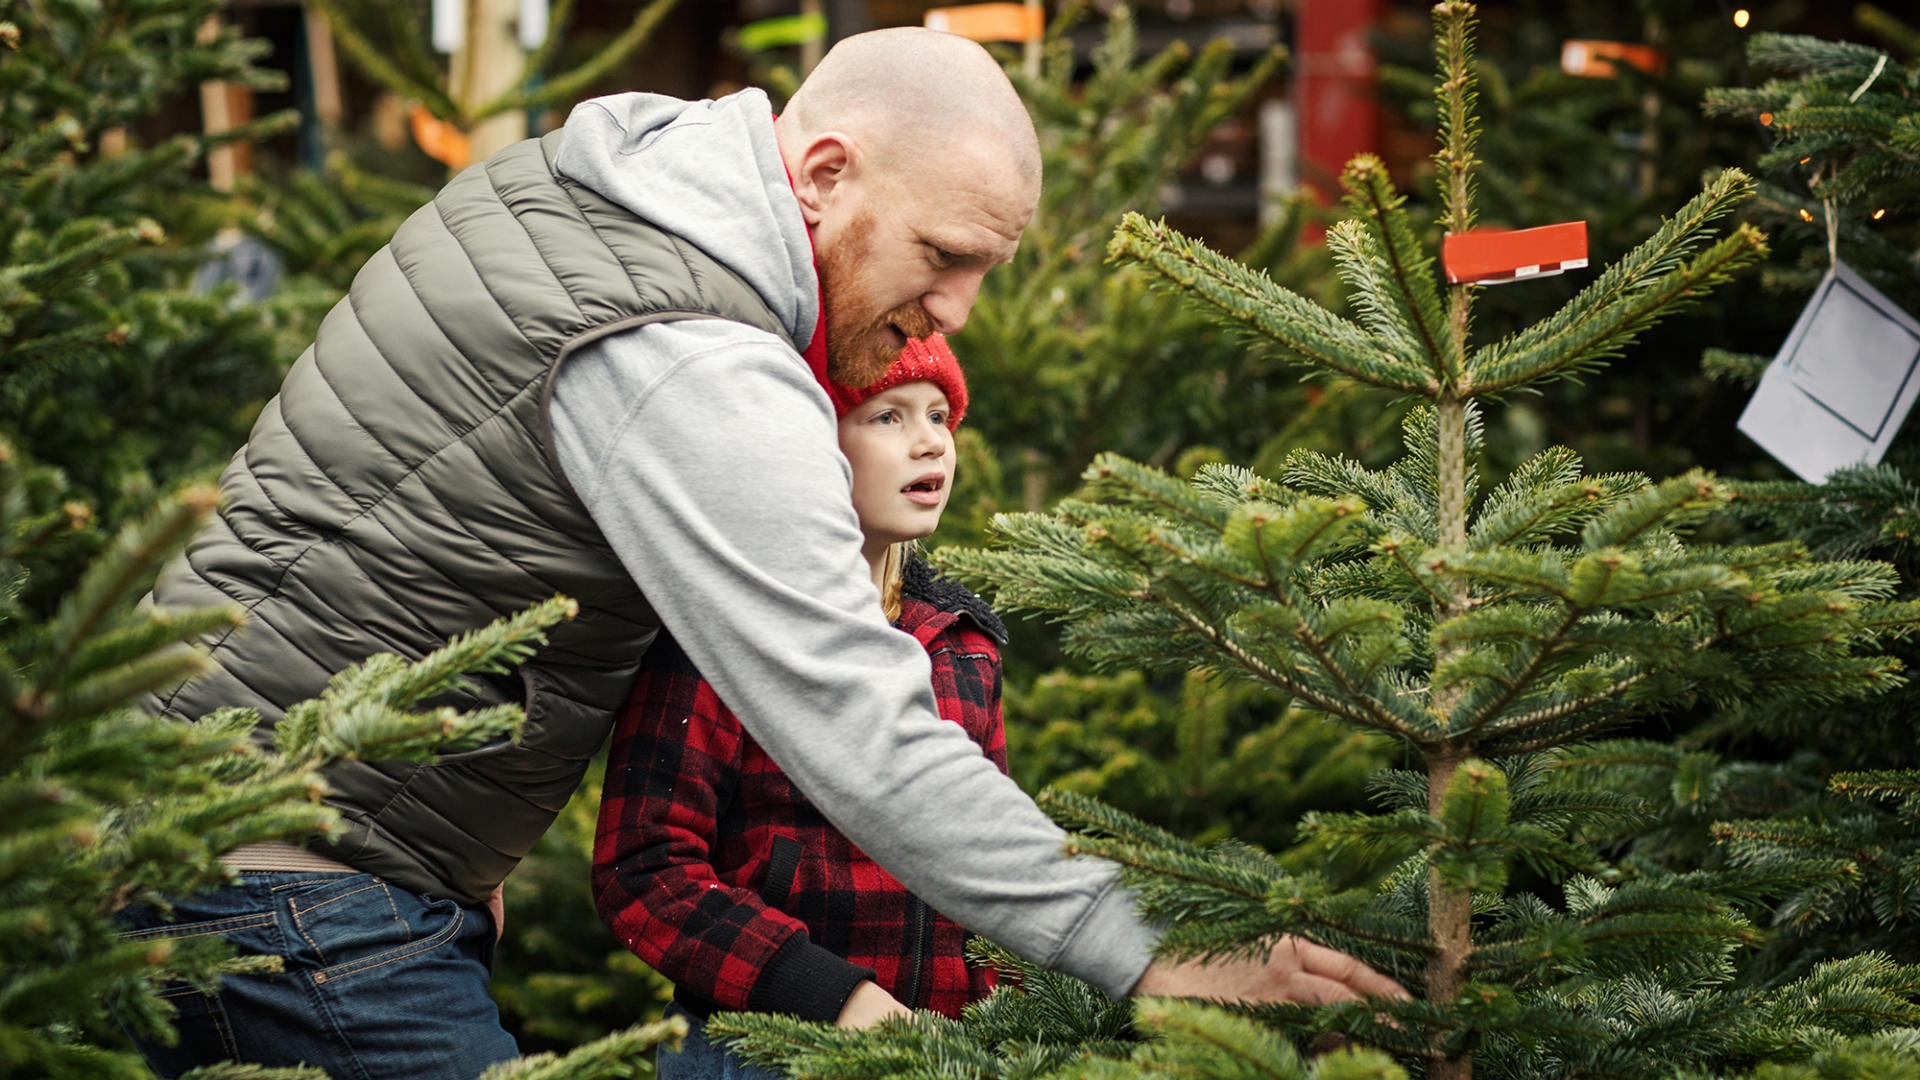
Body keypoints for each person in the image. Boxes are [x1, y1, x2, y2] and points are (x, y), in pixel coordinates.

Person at [128, 25, 1403, 1080]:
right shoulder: (692, 346)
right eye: (944, 257)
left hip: (259, 842)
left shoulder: (575, 189)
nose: (955, 313)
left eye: (982, 270)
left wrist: (447, 853)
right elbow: (851, 710)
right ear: (824, 173)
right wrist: (1150, 948)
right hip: (292, 889)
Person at [597, 334, 999, 1076]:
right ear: (810, 444)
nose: (929, 444)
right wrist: (837, 999)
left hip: (940, 1055)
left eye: (940, 416)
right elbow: (646, 868)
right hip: (758, 1051)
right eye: (888, 418)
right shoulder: (724, 627)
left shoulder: (963, 645)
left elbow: (989, 860)